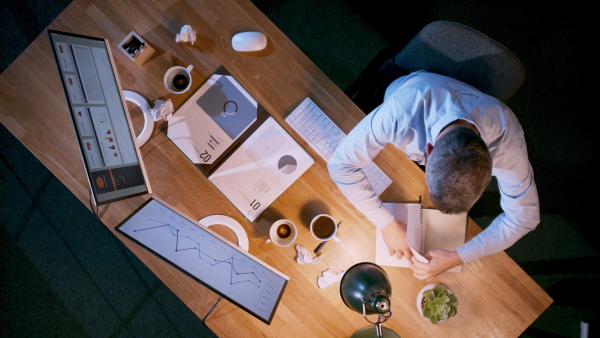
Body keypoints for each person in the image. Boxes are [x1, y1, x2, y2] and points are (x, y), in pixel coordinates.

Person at [328, 70, 539, 280]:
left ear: (491, 169)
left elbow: (524, 219)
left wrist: (458, 257)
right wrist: (386, 223)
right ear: (428, 151)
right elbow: (340, 165)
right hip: (398, 92)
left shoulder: (509, 148)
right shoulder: (400, 113)